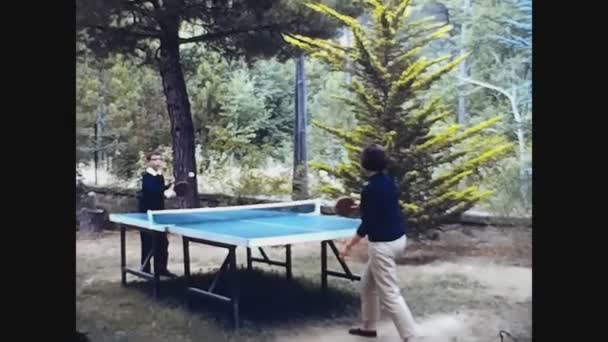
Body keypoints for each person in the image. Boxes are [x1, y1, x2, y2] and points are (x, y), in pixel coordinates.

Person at [339, 144, 417, 341]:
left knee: (390, 295)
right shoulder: (388, 181)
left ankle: (412, 337)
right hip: (399, 239)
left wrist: (349, 245)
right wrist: (363, 205)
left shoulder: (370, 189)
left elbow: (367, 224)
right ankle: (369, 328)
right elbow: (381, 205)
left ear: (365, 164)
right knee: (367, 286)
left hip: (383, 246)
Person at [139, 150, 176, 277]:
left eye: (159, 159)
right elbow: (152, 191)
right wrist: (165, 193)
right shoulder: (146, 176)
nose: (157, 161)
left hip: (159, 214)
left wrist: (170, 186)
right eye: (154, 159)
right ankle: (145, 270)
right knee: (148, 242)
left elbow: (160, 190)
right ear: (148, 162)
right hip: (147, 214)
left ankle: (161, 269)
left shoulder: (159, 175)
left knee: (163, 243)